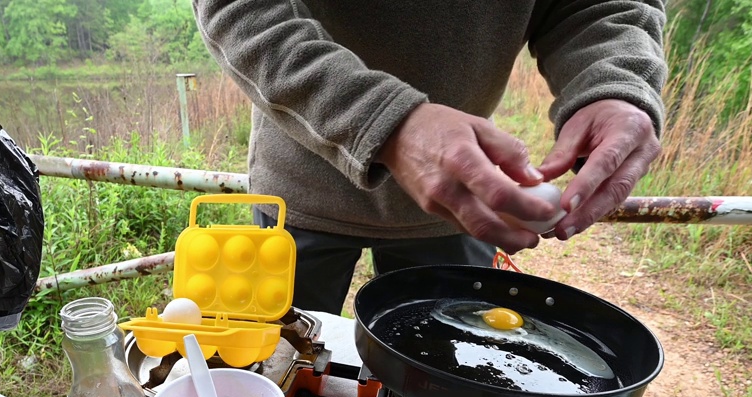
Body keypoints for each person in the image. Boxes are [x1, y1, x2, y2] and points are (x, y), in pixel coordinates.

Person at [193, 0, 666, 314]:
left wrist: (616, 82)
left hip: (459, 206)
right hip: (300, 187)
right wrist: (385, 121)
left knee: (444, 382)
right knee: (278, 368)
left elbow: (596, 6)